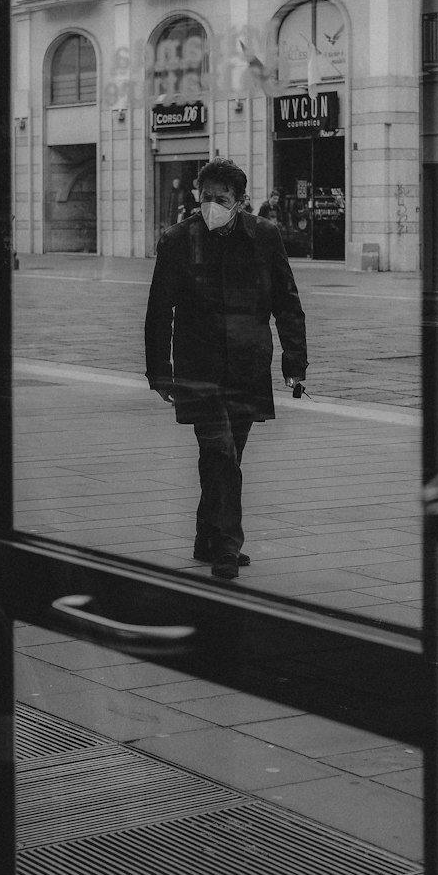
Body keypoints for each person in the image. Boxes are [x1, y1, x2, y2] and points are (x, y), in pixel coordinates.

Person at [145, 158, 308, 579]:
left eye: (221, 199)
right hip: (199, 366)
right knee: (221, 452)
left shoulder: (264, 236)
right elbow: (159, 310)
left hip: (248, 365)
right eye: (205, 198)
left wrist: (295, 361)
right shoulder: (179, 240)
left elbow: (286, 301)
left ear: (240, 202)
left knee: (225, 456)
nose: (211, 206)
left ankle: (206, 534)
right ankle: (226, 548)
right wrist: (159, 371)